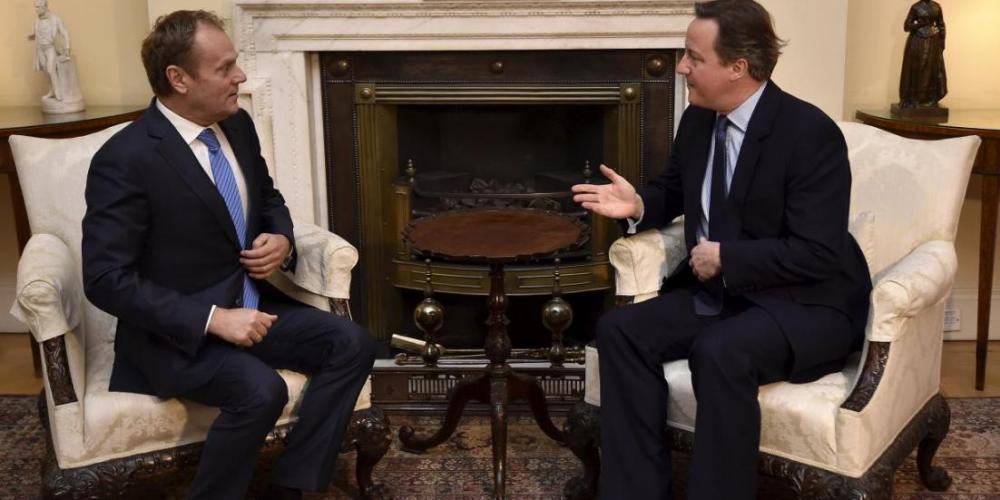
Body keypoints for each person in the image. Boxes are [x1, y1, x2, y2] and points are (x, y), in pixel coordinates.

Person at [570, 1, 872, 498]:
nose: (681, 67)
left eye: (694, 57)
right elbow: (674, 190)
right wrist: (638, 204)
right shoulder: (698, 120)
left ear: (738, 67)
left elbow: (817, 252)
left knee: (720, 351)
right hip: (723, 295)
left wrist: (727, 258)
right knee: (619, 331)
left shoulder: (809, 134)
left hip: (802, 302)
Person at [82, 10, 375, 500]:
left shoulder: (236, 125)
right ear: (178, 79)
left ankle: (291, 487)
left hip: (253, 309)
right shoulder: (126, 159)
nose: (240, 76)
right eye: (224, 68)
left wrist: (280, 238)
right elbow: (106, 278)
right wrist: (214, 319)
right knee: (261, 390)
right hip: (175, 338)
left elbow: (267, 198)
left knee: (353, 344)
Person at [899, 0, 947, 108]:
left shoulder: (936, 7)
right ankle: (915, 98)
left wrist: (942, 42)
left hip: (933, 41)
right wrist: (919, 25)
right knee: (917, 69)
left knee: (931, 69)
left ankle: (929, 99)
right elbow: (906, 26)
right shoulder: (915, 7)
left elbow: (941, 25)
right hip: (917, 41)